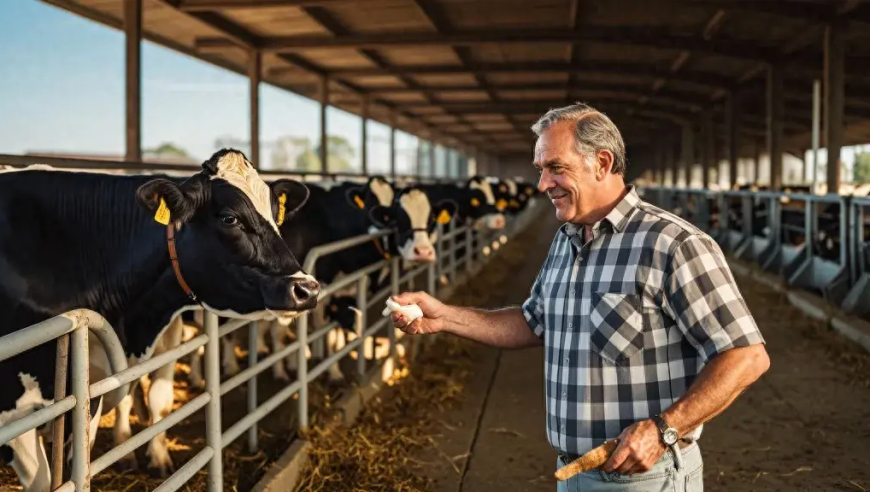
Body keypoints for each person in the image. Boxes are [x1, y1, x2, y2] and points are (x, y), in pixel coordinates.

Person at [388, 102, 770, 491]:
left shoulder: (672, 244)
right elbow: (532, 322)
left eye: (556, 168)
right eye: (541, 170)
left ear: (602, 163)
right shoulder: (567, 239)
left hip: (644, 479)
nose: (542, 185)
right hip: (573, 474)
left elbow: (746, 356)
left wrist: (664, 430)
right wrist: (445, 317)